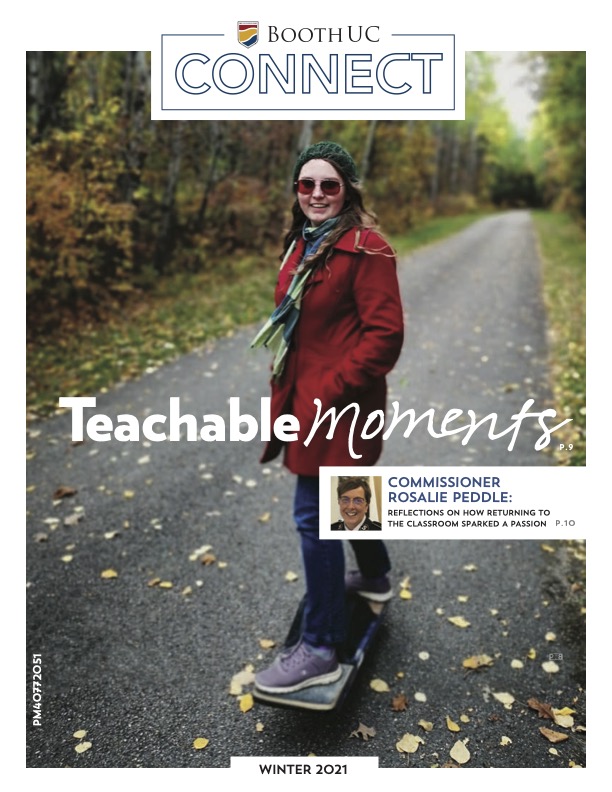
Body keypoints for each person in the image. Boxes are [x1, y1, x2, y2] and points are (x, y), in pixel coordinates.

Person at [251, 141, 404, 694]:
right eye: (306, 184)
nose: (316, 193)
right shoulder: (303, 244)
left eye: (329, 184)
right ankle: (376, 575)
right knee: (347, 498)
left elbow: (384, 336)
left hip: (341, 405)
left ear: (349, 189)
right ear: (297, 190)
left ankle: (319, 648)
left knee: (313, 516)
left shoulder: (368, 248)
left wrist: (330, 389)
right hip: (307, 399)